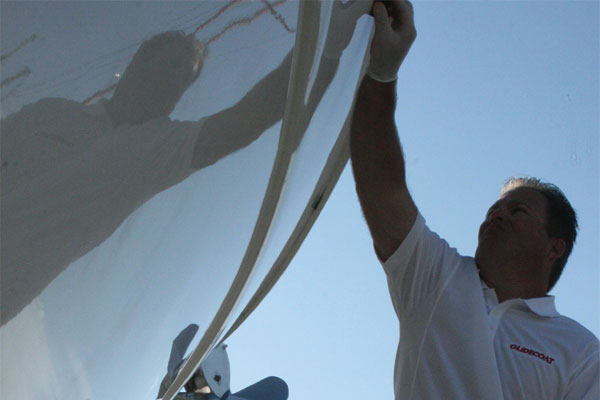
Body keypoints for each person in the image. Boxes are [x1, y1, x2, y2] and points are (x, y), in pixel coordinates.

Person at [1, 14, 356, 325]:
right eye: (171, 66)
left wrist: (326, 44)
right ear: (141, 58)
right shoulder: (52, 113)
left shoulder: (157, 148)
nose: (175, 83)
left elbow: (249, 118)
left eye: (185, 79)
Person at [350, 1, 599, 399]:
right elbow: (384, 187)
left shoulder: (581, 350)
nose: (497, 216)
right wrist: (381, 74)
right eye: (493, 210)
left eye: (517, 210)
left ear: (555, 246)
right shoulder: (436, 277)